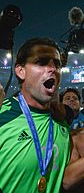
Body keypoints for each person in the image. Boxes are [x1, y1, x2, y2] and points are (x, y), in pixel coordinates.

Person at [0, 37, 70, 193]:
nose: (52, 68)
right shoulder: (3, 116)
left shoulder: (62, 121)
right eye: (42, 62)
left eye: (57, 64)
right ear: (21, 71)